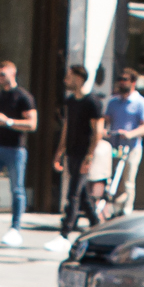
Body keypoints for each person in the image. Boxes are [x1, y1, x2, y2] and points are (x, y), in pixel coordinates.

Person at [0, 60, 37, 247]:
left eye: (2, 74)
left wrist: (8, 121)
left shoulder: (23, 97)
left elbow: (32, 124)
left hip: (15, 148)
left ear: (13, 74)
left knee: (17, 189)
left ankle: (15, 228)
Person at [53, 64, 104, 240]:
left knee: (73, 193)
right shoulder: (70, 101)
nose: (66, 79)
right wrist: (60, 151)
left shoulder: (92, 102)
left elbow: (97, 132)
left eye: (69, 76)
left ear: (79, 78)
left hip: (84, 153)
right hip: (71, 152)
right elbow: (66, 127)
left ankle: (65, 233)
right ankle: (97, 225)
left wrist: (89, 156)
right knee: (83, 196)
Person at [104, 68, 144, 216]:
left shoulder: (141, 103)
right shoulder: (113, 102)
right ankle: (110, 210)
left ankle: (126, 211)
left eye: (125, 79)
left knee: (128, 182)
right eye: (120, 79)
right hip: (113, 147)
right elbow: (105, 122)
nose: (121, 82)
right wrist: (104, 133)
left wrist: (131, 134)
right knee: (111, 181)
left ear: (133, 82)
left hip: (132, 148)